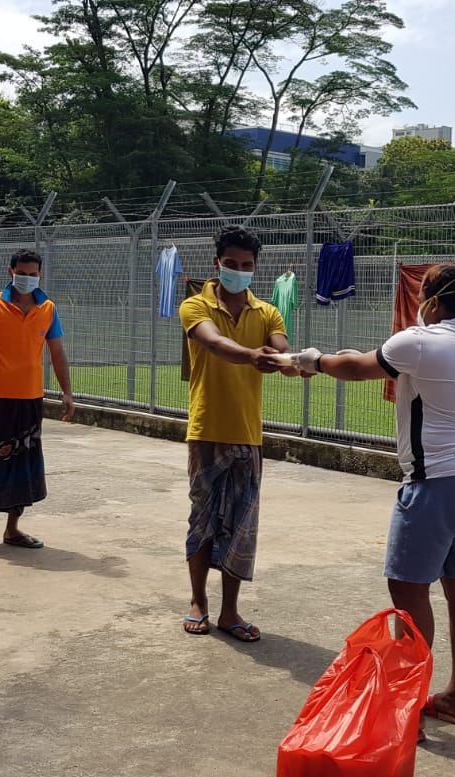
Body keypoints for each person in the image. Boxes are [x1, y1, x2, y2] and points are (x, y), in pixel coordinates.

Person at [291, 263, 455, 729]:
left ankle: (405, 712)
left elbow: (356, 366)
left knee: (408, 595)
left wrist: (312, 361)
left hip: (438, 484)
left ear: (431, 300)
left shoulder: (420, 340)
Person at [177, 225, 299, 642]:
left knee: (242, 526)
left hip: (248, 435)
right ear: (217, 263)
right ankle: (198, 602)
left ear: (255, 268)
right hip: (207, 430)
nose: (239, 271)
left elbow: (280, 345)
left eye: (247, 266)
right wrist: (252, 355)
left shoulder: (267, 313)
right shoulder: (195, 306)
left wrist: (292, 360)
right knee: (203, 520)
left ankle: (230, 611)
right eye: (231, 264)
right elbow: (212, 344)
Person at [0, 249, 74, 556]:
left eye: (33, 274)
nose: (27, 279)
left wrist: (67, 392)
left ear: (40, 274)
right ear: (10, 271)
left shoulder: (48, 308)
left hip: (31, 400)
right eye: (22, 273)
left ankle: (13, 529)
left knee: (24, 466)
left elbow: (56, 353)